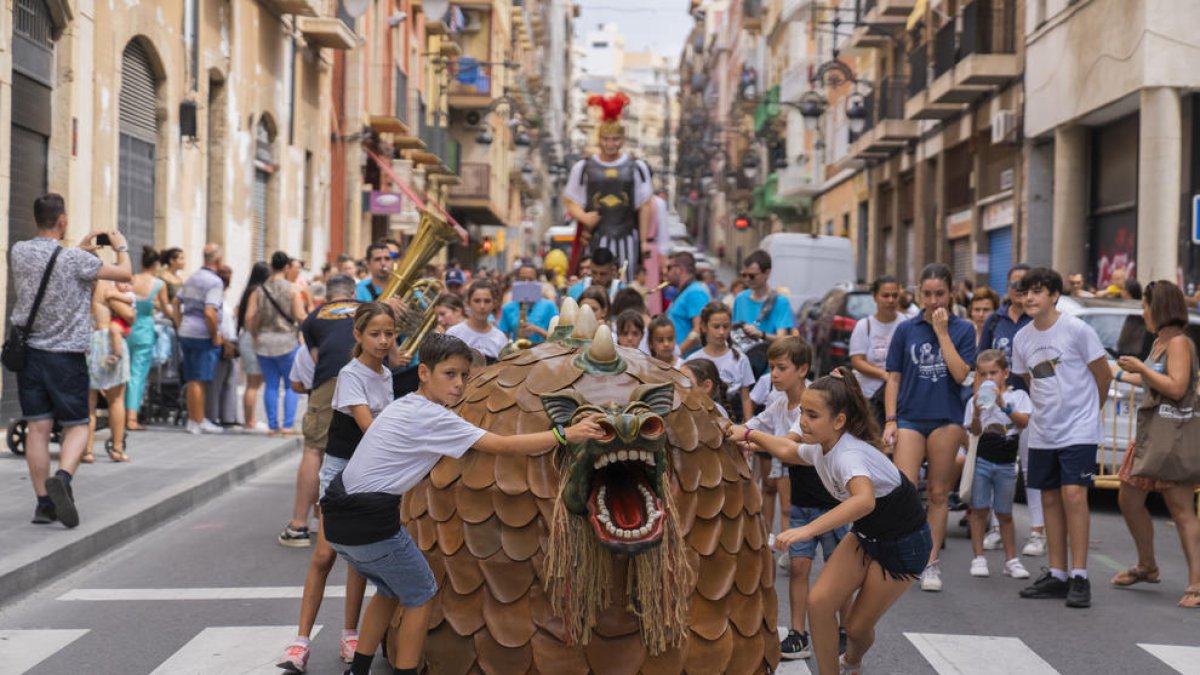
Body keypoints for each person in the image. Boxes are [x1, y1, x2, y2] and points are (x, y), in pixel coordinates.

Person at [320, 333, 604, 675]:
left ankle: (358, 670)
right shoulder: (432, 417)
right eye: (449, 374)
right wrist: (567, 435)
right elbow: (501, 445)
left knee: (389, 589)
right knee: (421, 594)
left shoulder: (405, 404)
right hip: (369, 521)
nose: (459, 384)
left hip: (338, 518)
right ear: (423, 372)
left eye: (464, 376)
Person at [733, 367, 931, 675]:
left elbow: (863, 500)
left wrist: (806, 530)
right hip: (867, 535)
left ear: (838, 421)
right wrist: (748, 433)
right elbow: (787, 448)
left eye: (813, 415)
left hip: (904, 544)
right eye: (802, 413)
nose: (802, 421)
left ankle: (852, 660)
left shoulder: (848, 454)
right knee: (820, 603)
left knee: (854, 629)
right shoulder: (822, 448)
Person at [277, 302, 396, 673]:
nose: (382, 341)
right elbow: (371, 428)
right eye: (374, 334)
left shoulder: (386, 374)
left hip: (371, 474)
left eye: (389, 334)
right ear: (357, 335)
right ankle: (300, 642)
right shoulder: (351, 374)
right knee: (325, 556)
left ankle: (350, 632)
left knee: (359, 561)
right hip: (342, 474)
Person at [11, 194, 132, 527]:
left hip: (30, 355)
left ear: (38, 219)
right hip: (66, 357)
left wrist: (78, 249)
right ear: (61, 220)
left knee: (37, 428)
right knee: (78, 424)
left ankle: (43, 504)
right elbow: (125, 275)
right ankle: (63, 479)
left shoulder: (19, 251)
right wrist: (120, 245)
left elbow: (54, 273)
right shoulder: (75, 261)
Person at [744, 338, 850, 661]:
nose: (773, 374)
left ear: (802, 369)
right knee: (800, 568)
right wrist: (732, 432)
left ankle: (844, 630)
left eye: (781, 368)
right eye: (771, 367)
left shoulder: (811, 403)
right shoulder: (777, 404)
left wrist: (754, 439)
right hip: (804, 500)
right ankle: (798, 633)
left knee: (839, 568)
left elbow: (789, 441)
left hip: (834, 501)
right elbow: (752, 426)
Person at [1012, 267, 1111, 608]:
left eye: (1037, 291)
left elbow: (1103, 374)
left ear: (1055, 295)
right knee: (1050, 499)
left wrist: (1090, 411)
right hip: (1043, 430)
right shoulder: (1022, 339)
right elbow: (1030, 381)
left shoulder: (1077, 330)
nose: (1029, 298)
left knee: (1073, 495)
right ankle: (1058, 573)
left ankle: (1080, 576)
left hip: (1079, 429)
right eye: (1025, 292)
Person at [883, 262, 976, 592]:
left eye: (940, 294)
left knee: (938, 492)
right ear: (919, 294)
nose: (934, 301)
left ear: (951, 294)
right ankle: (904, 552)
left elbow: (961, 374)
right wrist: (890, 419)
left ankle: (930, 561)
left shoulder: (963, 330)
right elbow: (893, 377)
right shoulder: (906, 330)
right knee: (905, 490)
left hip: (946, 418)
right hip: (909, 416)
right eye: (928, 294)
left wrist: (941, 333)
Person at [1110, 280, 1200, 608]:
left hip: (1172, 438)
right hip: (1153, 435)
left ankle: (1196, 583)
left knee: (1180, 509)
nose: (1142, 312)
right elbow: (1153, 380)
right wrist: (1121, 374)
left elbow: (1176, 388)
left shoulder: (1177, 343)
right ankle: (1147, 565)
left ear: (1158, 307)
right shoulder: (1160, 341)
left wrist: (1140, 368)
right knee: (1129, 497)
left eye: (1145, 305)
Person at [279, 274, 361, 548]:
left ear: (327, 297)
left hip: (329, 382)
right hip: (370, 380)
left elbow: (309, 364)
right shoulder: (370, 309)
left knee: (314, 449)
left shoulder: (314, 318)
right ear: (353, 292)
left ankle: (299, 526)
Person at [977, 263, 1044, 556]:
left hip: (1030, 403)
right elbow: (980, 361)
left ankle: (1036, 533)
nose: (1020, 290)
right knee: (996, 466)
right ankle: (995, 527)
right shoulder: (996, 321)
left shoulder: (1039, 322)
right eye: (1015, 284)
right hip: (996, 406)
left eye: (1025, 285)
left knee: (1031, 469)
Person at [562, 93, 653, 283]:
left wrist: (644, 241)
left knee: (625, 280)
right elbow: (571, 200)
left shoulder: (636, 167)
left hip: (626, 235)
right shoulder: (584, 167)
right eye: (606, 139)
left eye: (615, 139)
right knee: (594, 280)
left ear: (622, 139)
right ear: (599, 139)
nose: (610, 144)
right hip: (596, 235)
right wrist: (584, 217)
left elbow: (645, 205)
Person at [964, 349, 1032, 580]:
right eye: (983, 374)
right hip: (983, 460)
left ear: (1005, 373)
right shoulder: (974, 401)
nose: (988, 378)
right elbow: (973, 432)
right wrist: (976, 413)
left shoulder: (1018, 397)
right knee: (979, 509)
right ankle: (978, 557)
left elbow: (1023, 422)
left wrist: (1004, 405)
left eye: (993, 373)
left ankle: (1011, 560)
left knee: (1005, 512)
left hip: (1006, 464)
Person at [246, 251, 308, 435]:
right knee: (290, 385)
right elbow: (299, 315)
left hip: (265, 341)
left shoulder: (259, 290)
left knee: (271, 385)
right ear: (287, 267)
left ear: (271, 266)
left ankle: (272, 425)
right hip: (287, 339)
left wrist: (255, 334)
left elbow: (249, 316)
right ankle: (288, 425)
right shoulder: (292, 289)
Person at [176, 243, 227, 435]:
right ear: (218, 259)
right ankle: (197, 421)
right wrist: (215, 335)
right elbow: (210, 311)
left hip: (187, 330)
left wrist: (179, 322)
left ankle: (195, 417)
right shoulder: (214, 282)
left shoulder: (192, 277)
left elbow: (176, 301)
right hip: (202, 333)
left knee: (192, 377)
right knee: (199, 378)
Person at [125, 246, 174, 430]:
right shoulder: (159, 285)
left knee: (125, 372)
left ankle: (120, 413)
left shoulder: (132, 279)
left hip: (128, 328)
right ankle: (131, 417)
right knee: (138, 374)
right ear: (156, 264)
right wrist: (176, 318)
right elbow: (166, 309)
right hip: (145, 330)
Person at [86, 278, 134, 463]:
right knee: (116, 400)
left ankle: (87, 450)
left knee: (87, 403)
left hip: (86, 342)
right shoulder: (105, 286)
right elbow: (129, 315)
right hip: (106, 341)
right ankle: (117, 448)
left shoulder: (75, 284)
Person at [849, 276, 902, 427]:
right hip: (869, 398)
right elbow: (857, 361)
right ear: (875, 297)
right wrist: (884, 375)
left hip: (899, 398)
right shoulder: (864, 326)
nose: (890, 300)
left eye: (895, 295)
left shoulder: (906, 324)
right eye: (885, 295)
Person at [692, 302, 755, 422]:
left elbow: (746, 398)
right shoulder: (693, 360)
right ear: (704, 327)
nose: (721, 332)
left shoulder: (740, 359)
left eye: (725, 327)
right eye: (716, 327)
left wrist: (748, 428)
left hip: (734, 422)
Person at [732, 250, 795, 344]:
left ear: (767, 273)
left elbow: (783, 340)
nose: (747, 279)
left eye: (752, 276)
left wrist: (761, 334)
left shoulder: (781, 302)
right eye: (744, 275)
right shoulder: (740, 298)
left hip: (768, 356)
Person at [238, 262, 271, 432]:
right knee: (253, 383)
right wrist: (257, 336)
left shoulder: (248, 290)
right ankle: (249, 421)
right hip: (252, 339)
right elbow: (250, 317)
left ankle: (249, 420)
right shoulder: (257, 292)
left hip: (246, 337)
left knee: (253, 382)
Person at [206, 265, 240, 427]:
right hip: (220, 340)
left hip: (230, 341)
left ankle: (227, 416)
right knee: (216, 381)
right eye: (225, 275)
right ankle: (212, 416)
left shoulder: (223, 297)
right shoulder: (214, 296)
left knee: (230, 380)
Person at [446, 280, 507, 361]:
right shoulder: (453, 334)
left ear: (494, 304)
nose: (482, 306)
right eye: (477, 301)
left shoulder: (500, 338)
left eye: (487, 301)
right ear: (468, 303)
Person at [497, 265, 558, 345]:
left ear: (537, 282)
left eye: (531, 279)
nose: (526, 283)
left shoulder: (549, 306)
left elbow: (559, 339)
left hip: (543, 354)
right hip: (517, 354)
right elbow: (503, 339)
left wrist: (537, 330)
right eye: (522, 279)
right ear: (516, 281)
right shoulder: (507, 308)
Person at [666, 251, 711, 353]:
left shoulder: (695, 292)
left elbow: (699, 330)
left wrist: (676, 354)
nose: (666, 272)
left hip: (686, 362)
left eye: (669, 267)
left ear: (679, 269)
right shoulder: (686, 291)